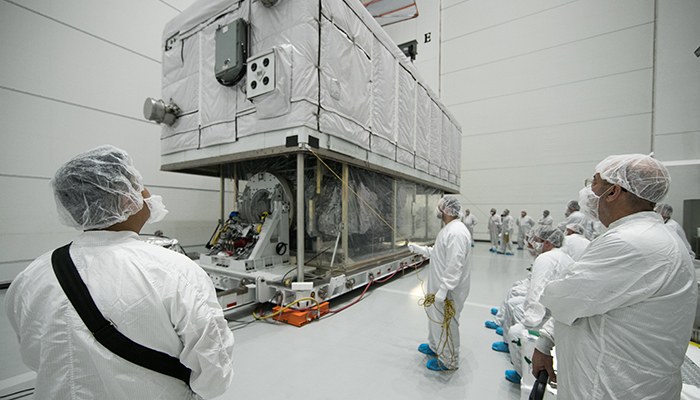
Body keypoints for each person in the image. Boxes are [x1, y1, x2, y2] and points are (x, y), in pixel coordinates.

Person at [5, 145, 235, 399]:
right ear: (127, 199)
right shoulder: (175, 271)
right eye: (140, 186)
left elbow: (35, 356)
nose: (147, 194)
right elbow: (214, 374)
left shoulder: (30, 277)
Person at [532, 154, 696, 399]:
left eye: (594, 182)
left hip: (610, 386)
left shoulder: (631, 243)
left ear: (613, 192)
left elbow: (562, 298)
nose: (589, 190)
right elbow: (581, 300)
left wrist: (560, 289)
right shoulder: (651, 235)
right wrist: (546, 341)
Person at [501, 226, 573, 384]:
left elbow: (537, 292)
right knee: (515, 307)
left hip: (548, 317)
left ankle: (523, 376)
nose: (534, 244)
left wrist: (529, 324)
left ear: (547, 243)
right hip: (561, 315)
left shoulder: (545, 259)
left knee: (515, 332)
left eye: (538, 241)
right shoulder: (564, 257)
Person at [408, 196, 472, 371]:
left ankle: (448, 360)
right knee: (436, 319)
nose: (437, 210)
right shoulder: (449, 229)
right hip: (439, 285)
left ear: (447, 210)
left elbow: (455, 264)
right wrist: (421, 250)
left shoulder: (456, 232)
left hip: (449, 289)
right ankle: (435, 346)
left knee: (447, 322)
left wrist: (444, 289)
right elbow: (439, 253)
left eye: (440, 207)